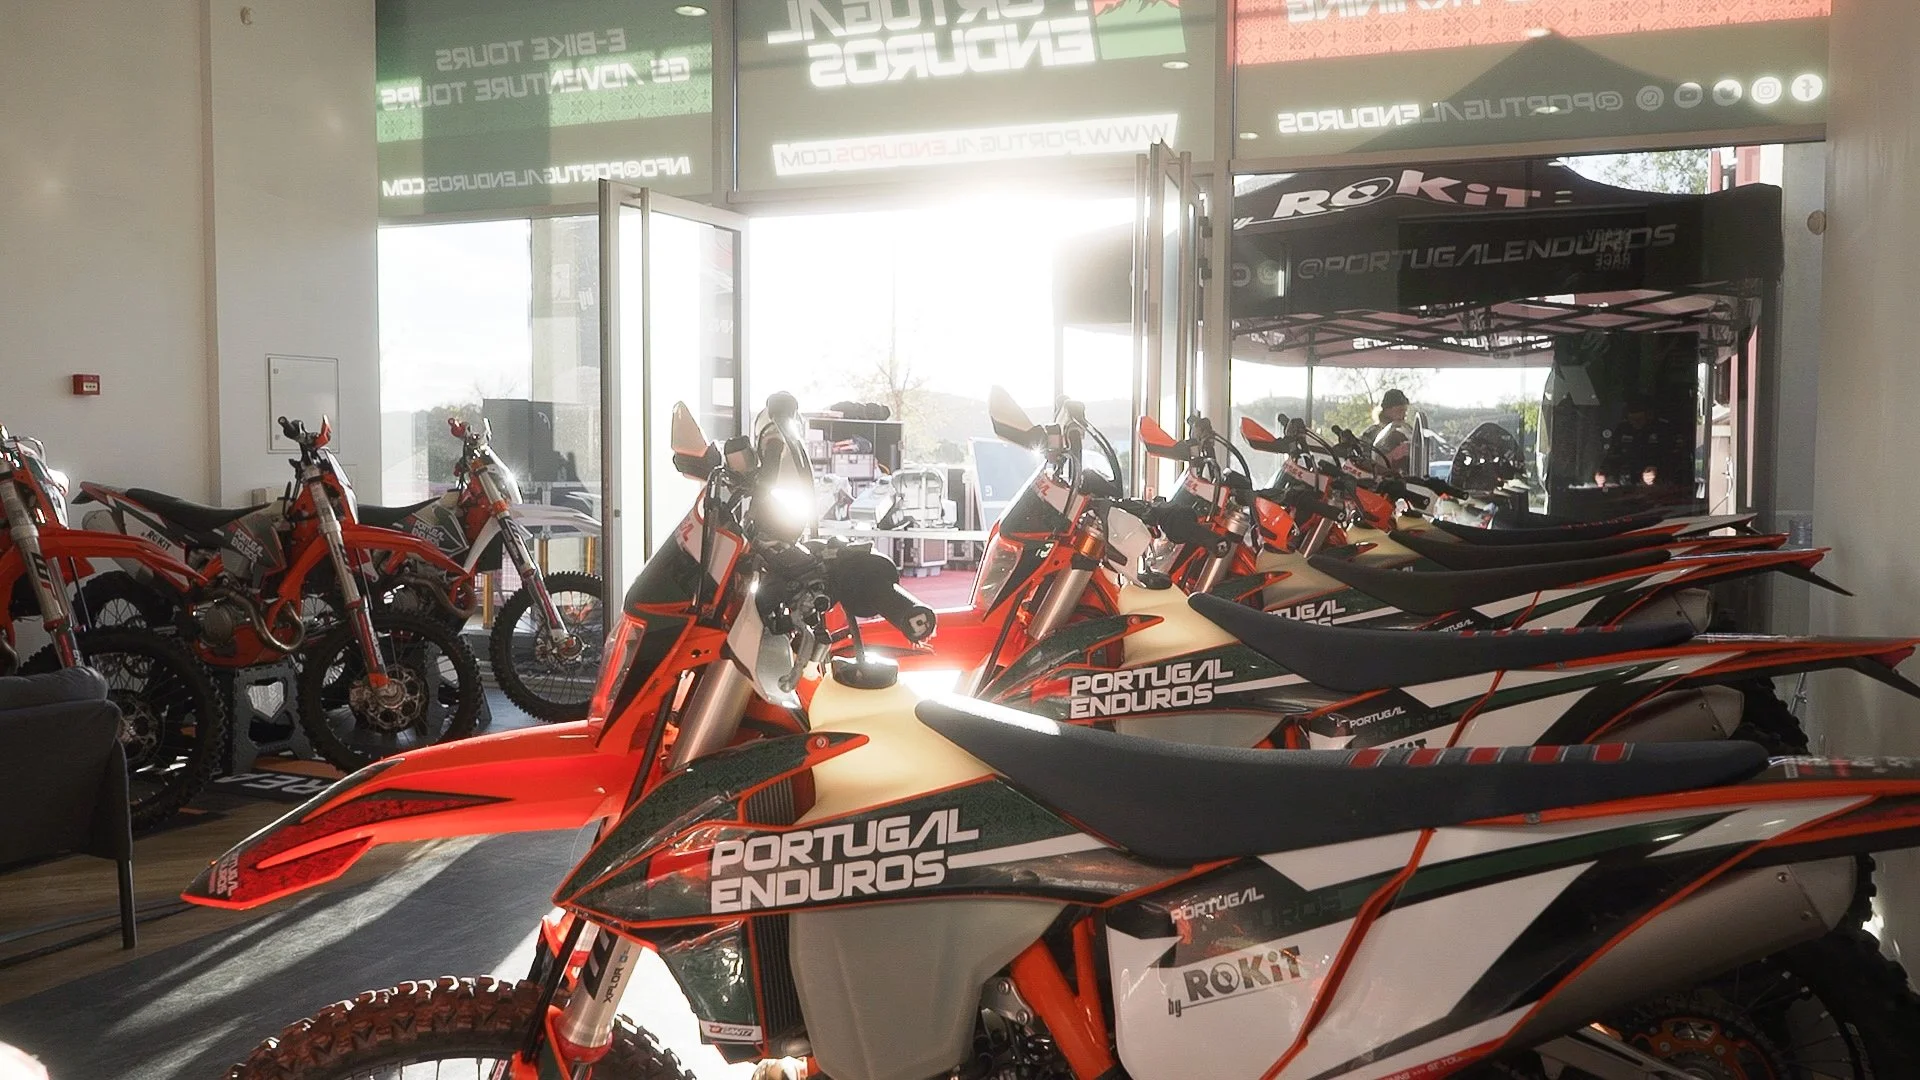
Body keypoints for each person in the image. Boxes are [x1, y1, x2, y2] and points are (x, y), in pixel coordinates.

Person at [1596, 394, 1683, 487]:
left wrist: (1657, 470)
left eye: (1639, 419)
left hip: (1658, 487)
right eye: (1632, 419)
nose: (1635, 423)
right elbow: (1613, 455)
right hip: (1626, 484)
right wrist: (1603, 471)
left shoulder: (1663, 429)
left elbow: (1674, 458)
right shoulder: (1623, 429)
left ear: (1649, 415)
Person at [1362, 388, 1413, 471]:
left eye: (1405, 411)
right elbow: (1365, 464)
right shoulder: (1371, 433)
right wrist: (1393, 455)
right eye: (1399, 411)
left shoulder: (1407, 431)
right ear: (1387, 410)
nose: (1403, 415)